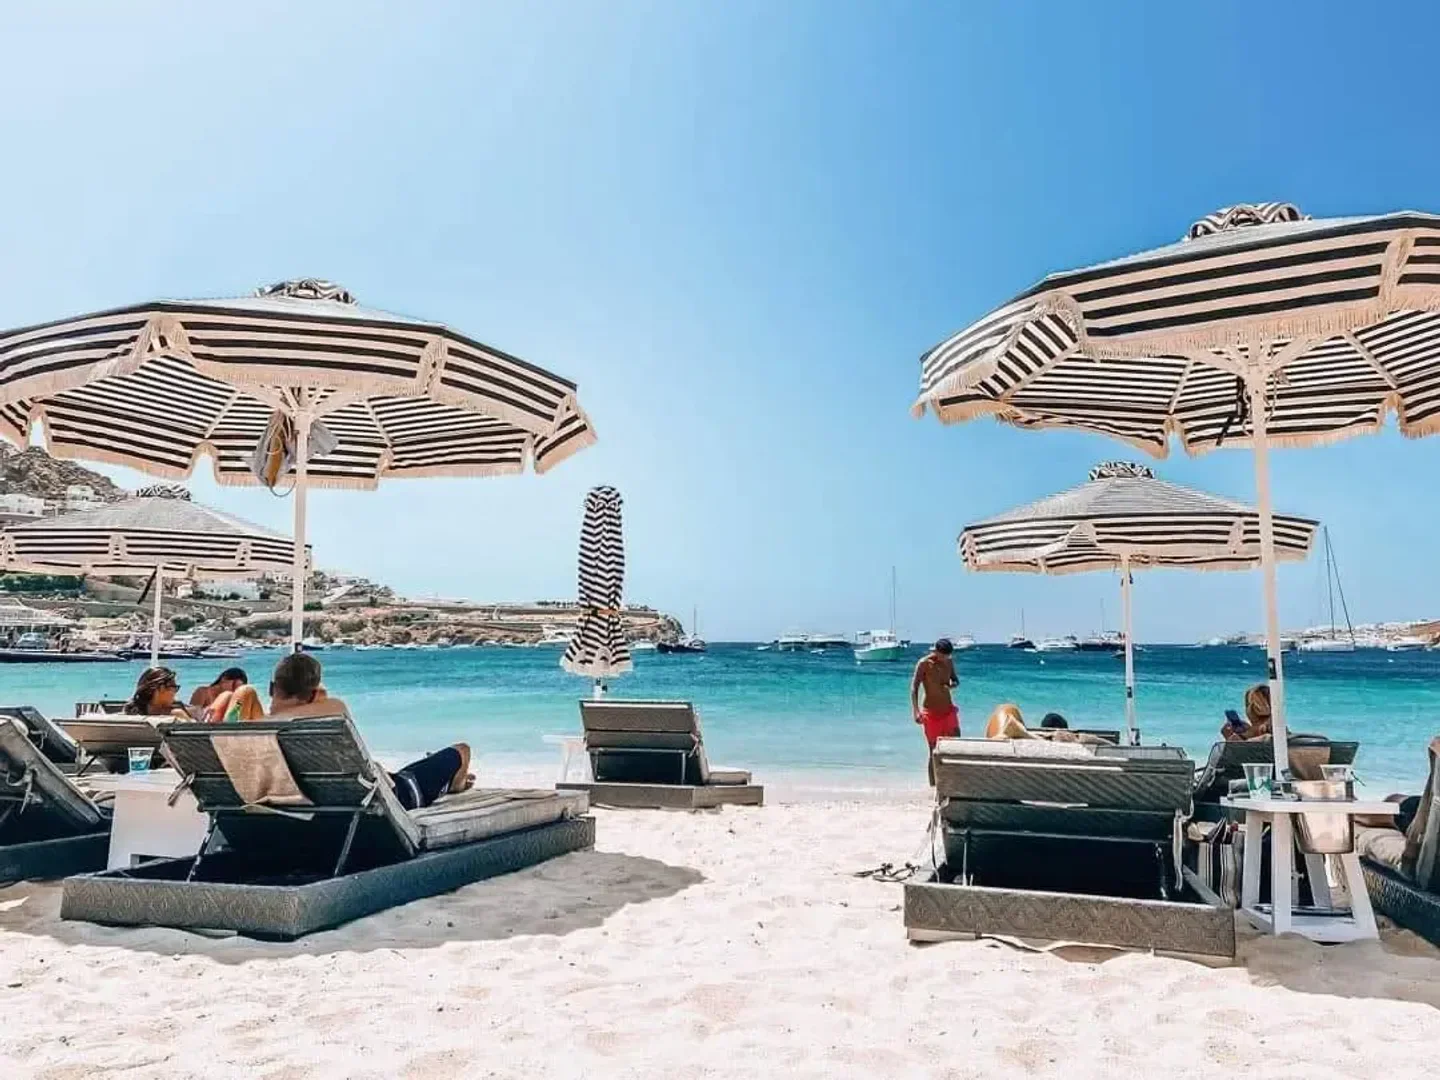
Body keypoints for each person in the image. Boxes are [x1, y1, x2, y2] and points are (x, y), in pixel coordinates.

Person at [223, 653, 473, 811]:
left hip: (305, 805)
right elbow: (324, 700)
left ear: (271, 688)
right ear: (313, 694)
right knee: (461, 750)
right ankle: (456, 785)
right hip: (386, 798)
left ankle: (452, 783)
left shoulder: (258, 730)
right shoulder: (333, 709)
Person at [911, 639, 960, 782]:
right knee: (933, 750)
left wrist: (952, 685)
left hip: (948, 710)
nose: (946, 659)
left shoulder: (949, 662)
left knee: (957, 744)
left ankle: (954, 781)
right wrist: (915, 711)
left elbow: (956, 680)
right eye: (944, 656)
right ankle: (933, 785)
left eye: (948, 656)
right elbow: (914, 688)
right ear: (936, 652)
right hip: (930, 713)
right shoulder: (924, 664)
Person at [122, 666, 189, 719]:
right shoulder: (177, 714)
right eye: (174, 687)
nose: (175, 692)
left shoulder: (132, 712)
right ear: (162, 688)